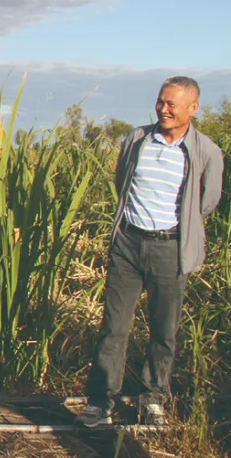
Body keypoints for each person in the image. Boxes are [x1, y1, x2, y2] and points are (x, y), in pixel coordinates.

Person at [76, 76, 223, 427]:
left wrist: (177, 228)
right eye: (160, 101)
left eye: (172, 104)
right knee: (113, 327)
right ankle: (100, 401)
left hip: (170, 248)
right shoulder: (136, 140)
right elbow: (123, 182)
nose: (163, 109)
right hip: (128, 244)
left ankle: (153, 398)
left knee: (163, 330)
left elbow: (207, 201)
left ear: (192, 108)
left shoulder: (207, 151)